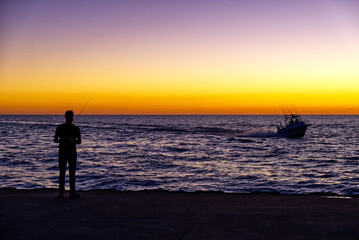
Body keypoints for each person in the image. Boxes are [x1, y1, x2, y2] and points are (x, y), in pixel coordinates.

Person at [54, 110, 81, 199]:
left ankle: (61, 193)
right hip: (72, 152)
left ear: (65, 117)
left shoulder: (59, 127)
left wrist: (62, 140)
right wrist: (72, 140)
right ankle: (72, 193)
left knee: (62, 172)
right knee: (72, 173)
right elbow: (79, 142)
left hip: (62, 152)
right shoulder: (76, 128)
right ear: (72, 117)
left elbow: (55, 140)